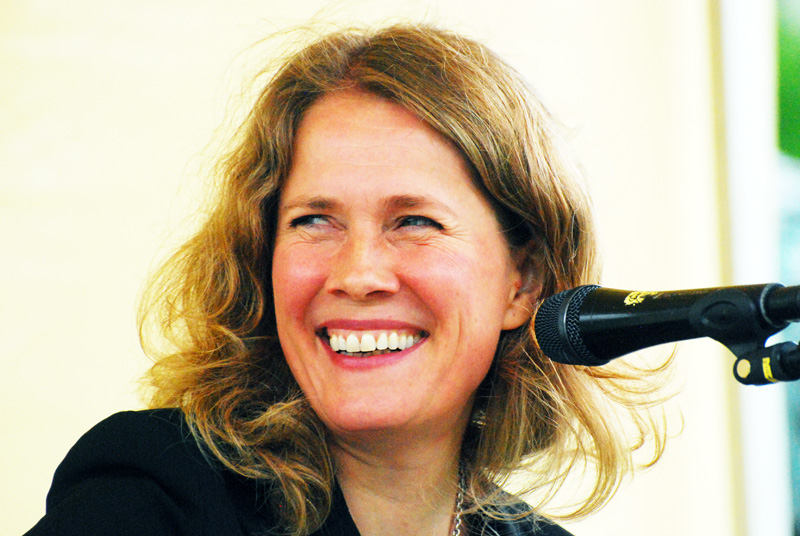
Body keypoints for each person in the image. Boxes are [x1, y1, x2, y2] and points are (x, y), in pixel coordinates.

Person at [25, 23, 668, 536]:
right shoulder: (155, 491)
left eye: (414, 220)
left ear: (521, 284)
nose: (358, 273)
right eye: (313, 221)